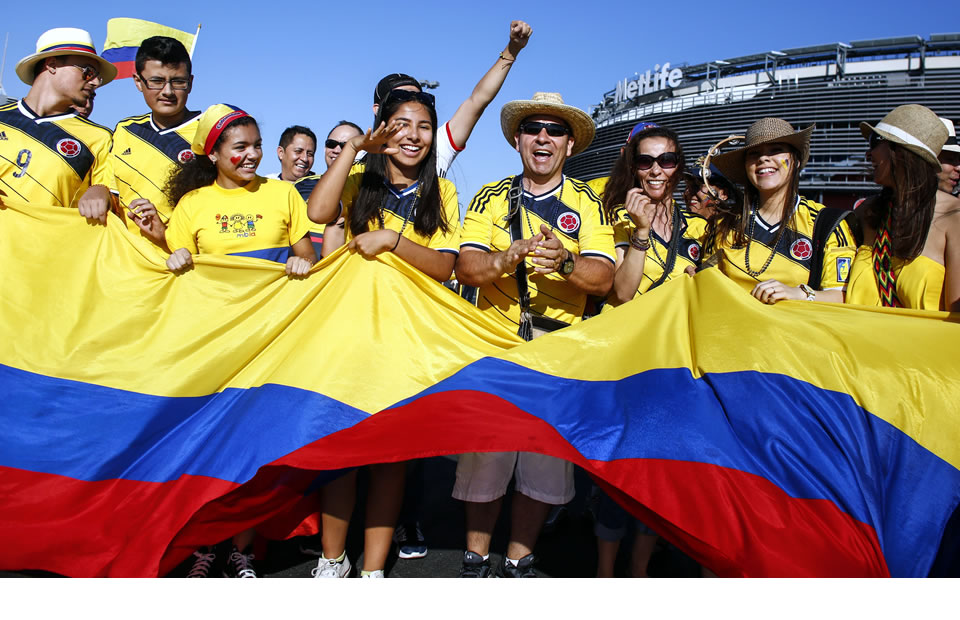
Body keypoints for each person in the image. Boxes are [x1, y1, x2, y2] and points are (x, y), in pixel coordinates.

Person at [453, 91, 615, 578]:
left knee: (543, 460)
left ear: (569, 145)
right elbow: (465, 264)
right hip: (497, 345)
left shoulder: (588, 204)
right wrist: (502, 260)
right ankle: (475, 556)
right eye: (533, 128)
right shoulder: (490, 195)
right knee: (486, 456)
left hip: (559, 350)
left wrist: (565, 262)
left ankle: (519, 558)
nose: (543, 137)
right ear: (518, 140)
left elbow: (604, 278)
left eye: (555, 130)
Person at [305, 88, 460, 578]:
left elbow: (444, 267)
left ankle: (373, 569)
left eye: (424, 127)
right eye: (402, 124)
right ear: (383, 128)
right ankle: (334, 560)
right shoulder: (356, 180)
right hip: (350, 335)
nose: (413, 137)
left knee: (390, 459)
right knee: (340, 452)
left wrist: (393, 242)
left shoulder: (444, 191)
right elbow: (316, 213)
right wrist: (354, 149)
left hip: (408, 340)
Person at [707, 118, 856, 304]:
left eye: (776, 150)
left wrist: (800, 294)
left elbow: (842, 297)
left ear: (797, 161)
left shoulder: (826, 224)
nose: (763, 159)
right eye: (754, 154)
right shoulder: (723, 224)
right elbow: (707, 282)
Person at [845, 104, 958, 311]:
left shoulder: (955, 218)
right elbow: (836, 288)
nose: (868, 154)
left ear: (899, 151)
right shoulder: (866, 214)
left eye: (874, 142)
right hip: (856, 341)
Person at [2, 27, 117, 220]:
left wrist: (102, 192)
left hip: (51, 248)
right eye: (88, 72)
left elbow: (114, 203)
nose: (96, 82)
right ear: (52, 64)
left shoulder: (100, 138)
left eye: (98, 76)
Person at [111, 36, 200, 247]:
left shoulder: (210, 131)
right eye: (157, 81)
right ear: (138, 82)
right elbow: (110, 192)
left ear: (190, 83)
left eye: (178, 81)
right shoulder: (125, 130)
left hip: (189, 263)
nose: (168, 92)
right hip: (131, 262)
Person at [604, 124, 707, 306]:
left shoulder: (699, 227)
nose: (656, 170)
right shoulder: (617, 218)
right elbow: (623, 293)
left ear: (678, 165)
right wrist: (642, 231)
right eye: (645, 161)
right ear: (634, 168)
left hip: (675, 329)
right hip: (627, 328)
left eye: (666, 160)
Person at [293, 121, 363, 258]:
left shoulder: (366, 190)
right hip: (303, 271)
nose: (336, 150)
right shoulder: (301, 185)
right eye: (331, 144)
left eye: (346, 146)